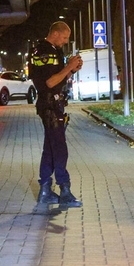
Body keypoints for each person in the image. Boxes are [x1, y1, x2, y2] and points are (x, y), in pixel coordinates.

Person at [29, 21, 84, 207]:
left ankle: (45, 190)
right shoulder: (46, 51)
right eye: (65, 37)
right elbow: (50, 83)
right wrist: (68, 67)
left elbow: (57, 79)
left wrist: (71, 71)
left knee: (50, 148)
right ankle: (65, 190)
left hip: (52, 106)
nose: (66, 41)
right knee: (60, 149)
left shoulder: (46, 49)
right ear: (55, 33)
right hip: (50, 107)